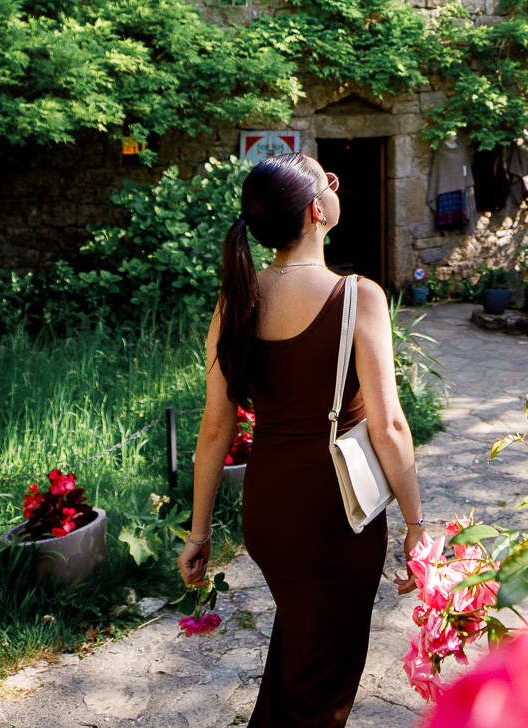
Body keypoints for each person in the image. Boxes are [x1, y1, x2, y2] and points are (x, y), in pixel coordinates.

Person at [178, 153, 428, 728]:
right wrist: (417, 527)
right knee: (322, 694)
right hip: (334, 522)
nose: (338, 182)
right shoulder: (358, 297)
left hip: (268, 517)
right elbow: (389, 427)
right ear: (318, 210)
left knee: (298, 654)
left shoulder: (234, 301)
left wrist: (199, 533)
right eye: (327, 179)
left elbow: (216, 427)